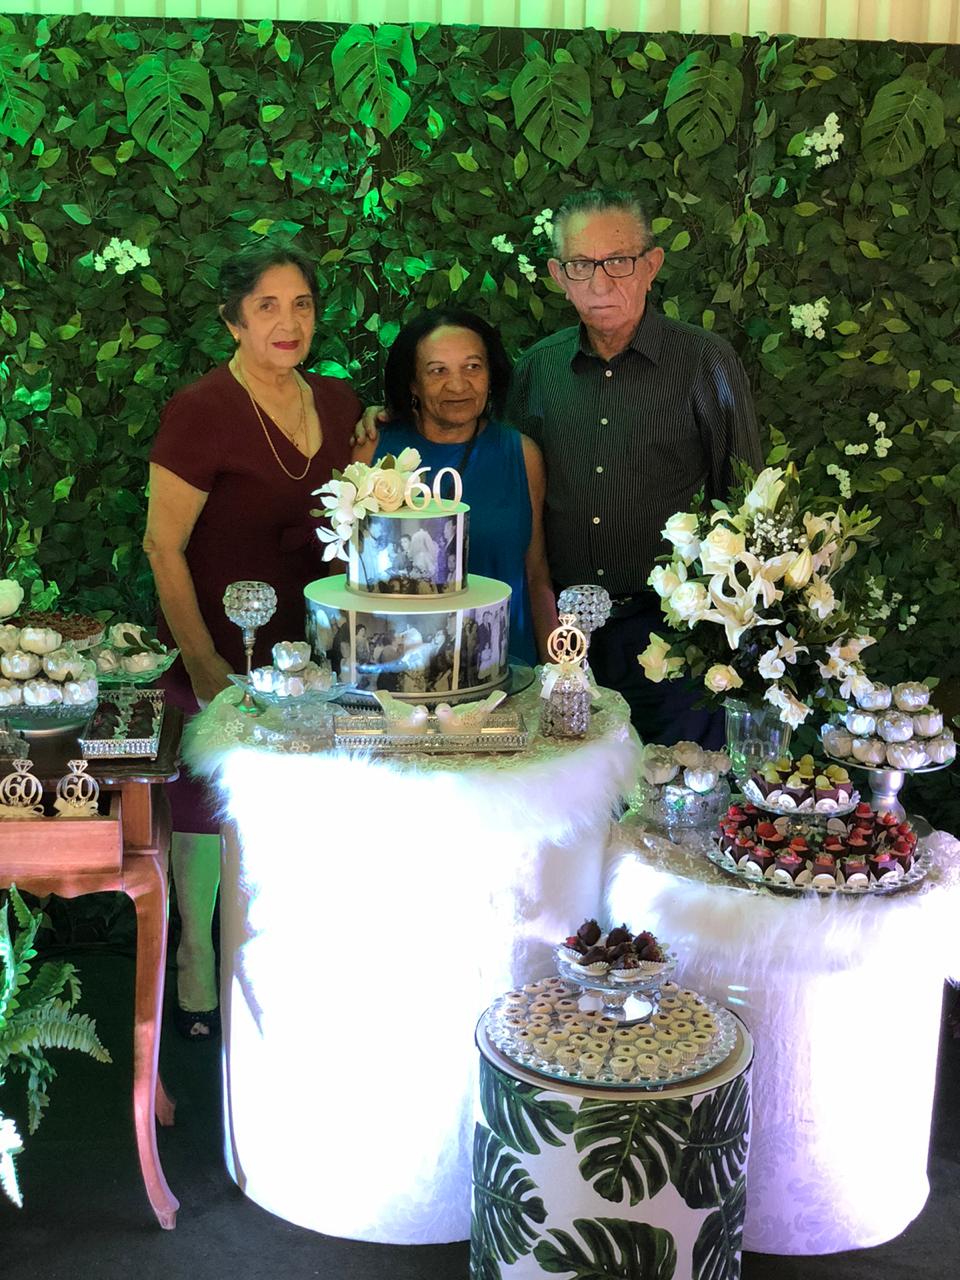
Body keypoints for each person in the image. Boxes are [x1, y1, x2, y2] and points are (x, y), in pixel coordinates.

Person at [144, 244, 358, 1037]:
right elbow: (162, 545)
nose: (287, 321)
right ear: (232, 320)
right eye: (267, 305)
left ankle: (275, 964)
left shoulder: (337, 401)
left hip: (310, 654)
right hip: (215, 648)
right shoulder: (201, 410)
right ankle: (197, 963)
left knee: (293, 812)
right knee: (208, 810)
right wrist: (201, 665)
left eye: (301, 303)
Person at [506, 189, 764, 743]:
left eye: (618, 261)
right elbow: (515, 498)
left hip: (674, 638)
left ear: (651, 265)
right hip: (563, 634)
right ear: (558, 275)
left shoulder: (704, 362)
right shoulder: (537, 371)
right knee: (571, 786)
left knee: (675, 783)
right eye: (581, 264)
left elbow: (746, 506)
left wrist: (727, 642)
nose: (600, 283)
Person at [353, 308, 556, 665]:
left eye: (472, 367)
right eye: (438, 371)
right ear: (413, 383)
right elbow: (345, 574)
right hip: (396, 673)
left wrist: (558, 669)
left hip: (503, 665)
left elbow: (536, 573)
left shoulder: (522, 455)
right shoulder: (374, 450)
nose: (458, 385)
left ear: (491, 374)